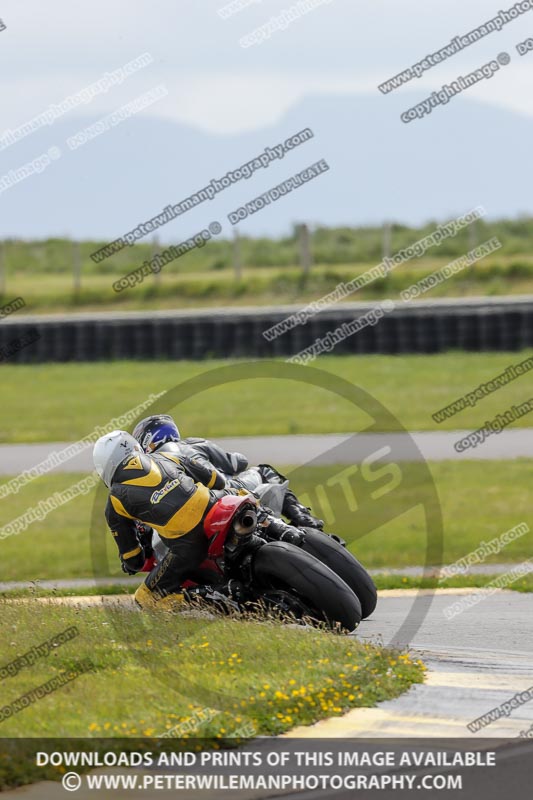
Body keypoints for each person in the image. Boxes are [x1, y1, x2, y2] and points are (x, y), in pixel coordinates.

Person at [93, 430, 304, 611]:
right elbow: (217, 479)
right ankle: (278, 526)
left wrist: (130, 564)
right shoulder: (166, 457)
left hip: (188, 544)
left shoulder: (114, 502)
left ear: (105, 468)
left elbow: (133, 557)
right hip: (218, 504)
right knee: (238, 491)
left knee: (145, 599)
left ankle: (220, 592)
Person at [132, 414, 324, 529]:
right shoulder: (192, 444)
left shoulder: (149, 471)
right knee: (264, 471)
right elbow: (237, 464)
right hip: (228, 493)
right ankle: (302, 518)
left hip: (187, 519)